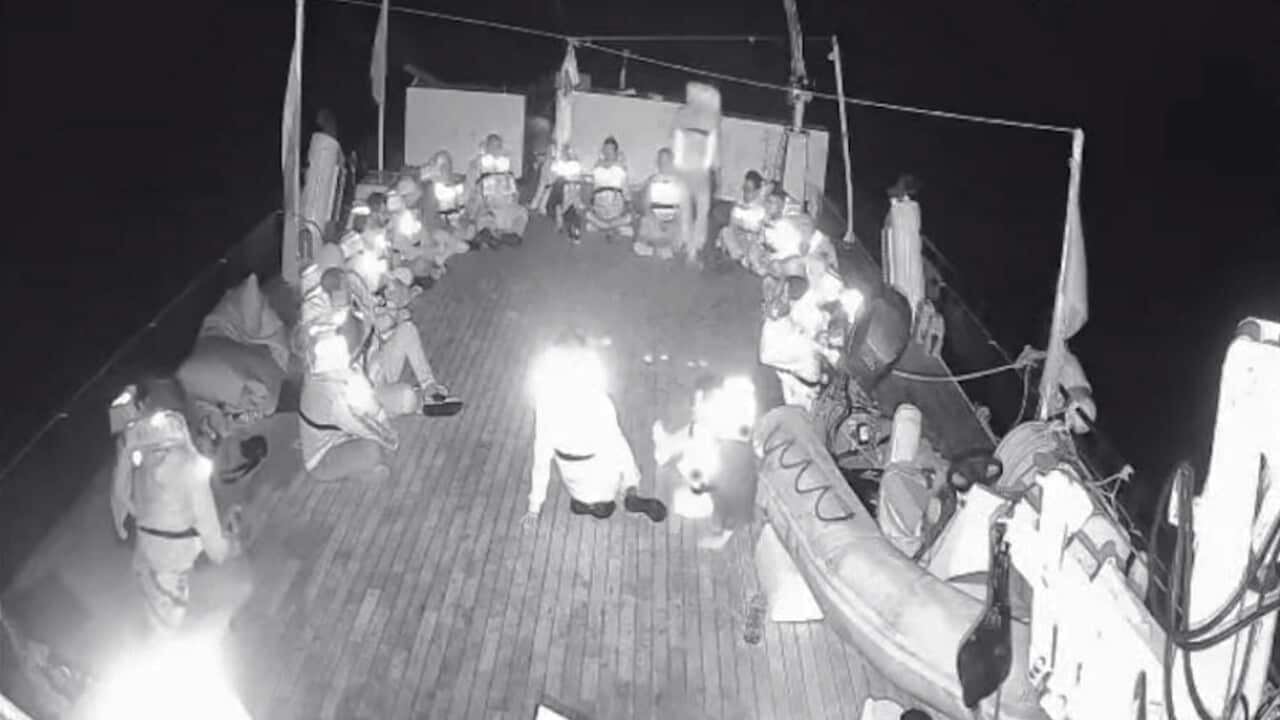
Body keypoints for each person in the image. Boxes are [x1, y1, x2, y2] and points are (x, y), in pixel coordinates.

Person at [109, 390, 242, 634]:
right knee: (170, 618)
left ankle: (151, 627)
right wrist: (227, 550)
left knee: (155, 606)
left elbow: (120, 491)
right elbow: (211, 536)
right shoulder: (190, 466)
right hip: (173, 556)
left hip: (145, 546)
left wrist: (122, 522)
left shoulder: (137, 450)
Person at [524, 330, 667, 526]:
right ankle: (626, 494)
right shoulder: (599, 401)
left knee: (580, 504)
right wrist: (631, 480)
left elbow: (541, 458)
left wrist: (534, 507)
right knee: (606, 499)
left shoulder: (546, 402)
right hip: (601, 473)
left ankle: (589, 504)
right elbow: (617, 444)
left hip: (571, 475)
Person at [337, 236, 463, 417]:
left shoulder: (361, 295)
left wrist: (389, 300)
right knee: (406, 398)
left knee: (407, 329)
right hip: (368, 390)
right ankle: (417, 403)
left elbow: (384, 310)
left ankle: (428, 386)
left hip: (381, 365)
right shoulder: (336, 325)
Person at [653, 374, 759, 549]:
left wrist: (725, 533)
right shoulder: (712, 427)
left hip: (707, 499)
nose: (694, 407)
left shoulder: (729, 448)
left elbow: (738, 496)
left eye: (699, 402)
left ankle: (678, 525)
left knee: (666, 474)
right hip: (709, 485)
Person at [298, 327, 398, 483]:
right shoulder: (329, 394)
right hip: (323, 458)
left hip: (341, 432)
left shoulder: (336, 371)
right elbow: (360, 425)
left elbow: (368, 399)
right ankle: (353, 474)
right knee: (373, 451)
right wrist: (388, 440)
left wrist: (382, 419)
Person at [671, 82, 722, 268]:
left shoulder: (682, 113)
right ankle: (694, 247)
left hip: (685, 168)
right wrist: (710, 167)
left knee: (685, 207)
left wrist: (678, 165)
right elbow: (712, 146)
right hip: (700, 170)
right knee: (701, 209)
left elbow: (676, 142)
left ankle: (685, 243)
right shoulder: (711, 117)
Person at [466, 133, 528, 248]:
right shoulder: (476, 166)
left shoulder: (506, 165)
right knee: (485, 217)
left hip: (506, 205)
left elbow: (514, 189)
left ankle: (512, 235)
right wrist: (475, 207)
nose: (495, 150)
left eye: (498, 146)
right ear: (486, 148)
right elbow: (470, 191)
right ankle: (488, 234)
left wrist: (514, 197)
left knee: (521, 212)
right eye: (492, 146)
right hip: (487, 205)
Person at [634, 148, 686, 259]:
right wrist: (656, 221)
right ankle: (658, 249)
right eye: (661, 160)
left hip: (673, 221)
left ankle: (662, 248)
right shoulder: (652, 180)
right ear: (657, 162)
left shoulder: (680, 182)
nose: (663, 164)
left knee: (682, 234)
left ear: (671, 162)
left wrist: (672, 221)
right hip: (654, 221)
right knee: (645, 222)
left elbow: (682, 208)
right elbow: (646, 205)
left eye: (666, 160)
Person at [583, 137, 634, 243]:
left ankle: (603, 227)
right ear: (603, 151)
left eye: (610, 149)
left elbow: (626, 190)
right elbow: (592, 188)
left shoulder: (620, 168)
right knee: (586, 214)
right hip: (600, 207)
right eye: (606, 149)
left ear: (616, 152)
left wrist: (629, 206)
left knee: (630, 216)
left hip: (616, 207)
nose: (608, 152)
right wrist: (589, 204)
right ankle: (613, 227)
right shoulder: (597, 167)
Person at [717, 171, 768, 266]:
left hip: (752, 243)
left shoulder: (762, 209)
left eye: (749, 190)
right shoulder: (738, 207)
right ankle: (741, 258)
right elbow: (731, 226)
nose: (745, 193)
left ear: (757, 191)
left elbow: (760, 231)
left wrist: (745, 226)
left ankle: (743, 259)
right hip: (739, 240)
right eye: (744, 189)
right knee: (725, 231)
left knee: (756, 245)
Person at [542, 144, 590, 242]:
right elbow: (549, 180)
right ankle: (563, 217)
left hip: (570, 197)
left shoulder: (575, 165)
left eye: (567, 152)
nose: (565, 154)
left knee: (572, 207)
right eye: (562, 152)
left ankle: (573, 229)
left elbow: (578, 180)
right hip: (556, 197)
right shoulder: (554, 165)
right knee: (560, 182)